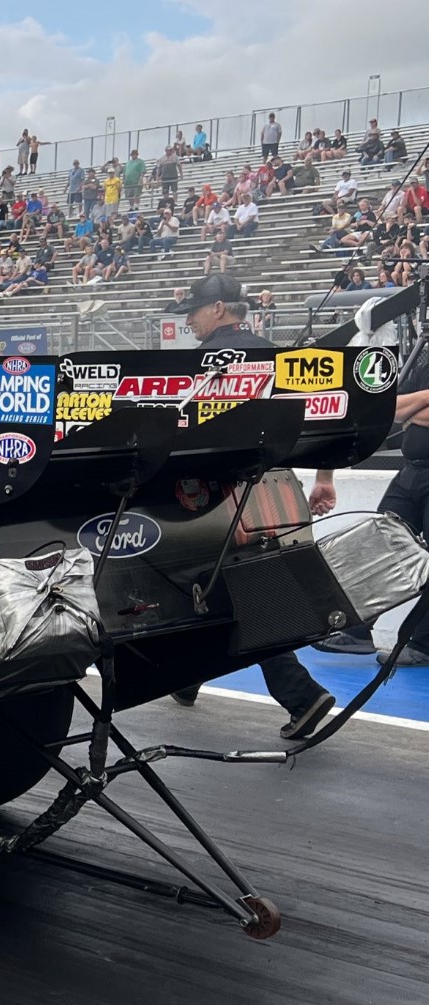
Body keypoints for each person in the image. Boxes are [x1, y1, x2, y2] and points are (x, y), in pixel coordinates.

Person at [167, 274, 337, 737]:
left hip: (217, 495)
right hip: (276, 489)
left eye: (195, 311)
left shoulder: (204, 361)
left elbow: (180, 429)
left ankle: (301, 694)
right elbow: (326, 416)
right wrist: (324, 478)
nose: (189, 320)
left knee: (235, 585)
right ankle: (187, 678)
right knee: (212, 581)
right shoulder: (280, 355)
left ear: (219, 308)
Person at [315, 347, 429, 665]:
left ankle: (423, 644)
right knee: (377, 544)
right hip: (411, 470)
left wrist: (411, 409)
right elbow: (389, 409)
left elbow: (403, 410)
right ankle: (358, 631)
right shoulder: (426, 359)